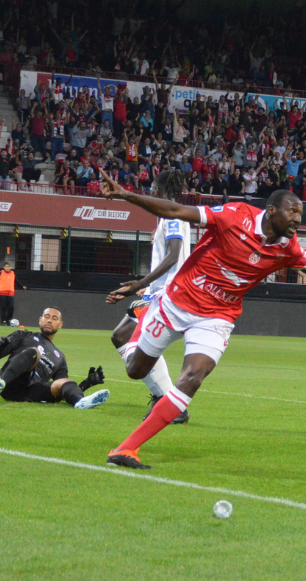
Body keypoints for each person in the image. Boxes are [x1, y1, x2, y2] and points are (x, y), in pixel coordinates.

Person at [96, 169, 306, 469]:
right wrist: (126, 195)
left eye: (301, 213)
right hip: (177, 302)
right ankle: (138, 347)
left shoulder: (288, 248)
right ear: (270, 211)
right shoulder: (233, 215)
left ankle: (127, 448)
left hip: (217, 317)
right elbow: (177, 209)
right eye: (292, 211)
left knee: (193, 378)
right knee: (136, 370)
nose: (297, 218)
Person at [105, 170, 192, 424]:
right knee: (120, 336)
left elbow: (175, 255)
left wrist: (142, 283)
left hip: (169, 297)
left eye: (152, 187)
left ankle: (172, 406)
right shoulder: (166, 218)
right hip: (157, 293)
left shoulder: (173, 215)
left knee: (135, 351)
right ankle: (162, 397)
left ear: (158, 191)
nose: (150, 192)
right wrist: (145, 287)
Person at [0, 307, 109, 409]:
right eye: (46, 317)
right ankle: (0, 384)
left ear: (60, 325)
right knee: (33, 353)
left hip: (31, 391)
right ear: (40, 320)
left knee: (68, 382)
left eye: (54, 318)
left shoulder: (60, 357)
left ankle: (80, 402)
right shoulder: (23, 335)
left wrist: (86, 384)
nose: (49, 320)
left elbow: (62, 389)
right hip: (11, 383)